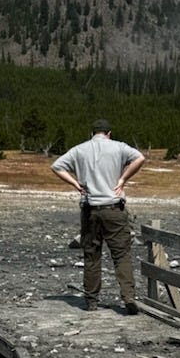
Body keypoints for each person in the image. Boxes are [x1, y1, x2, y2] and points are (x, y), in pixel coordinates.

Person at [52, 119, 146, 314]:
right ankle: (128, 296)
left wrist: (76, 184)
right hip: (114, 207)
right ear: (109, 133)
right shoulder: (119, 147)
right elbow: (139, 158)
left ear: (92, 133)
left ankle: (92, 300)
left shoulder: (79, 150)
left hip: (90, 208)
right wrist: (122, 179)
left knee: (92, 255)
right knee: (121, 255)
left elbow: (57, 166)